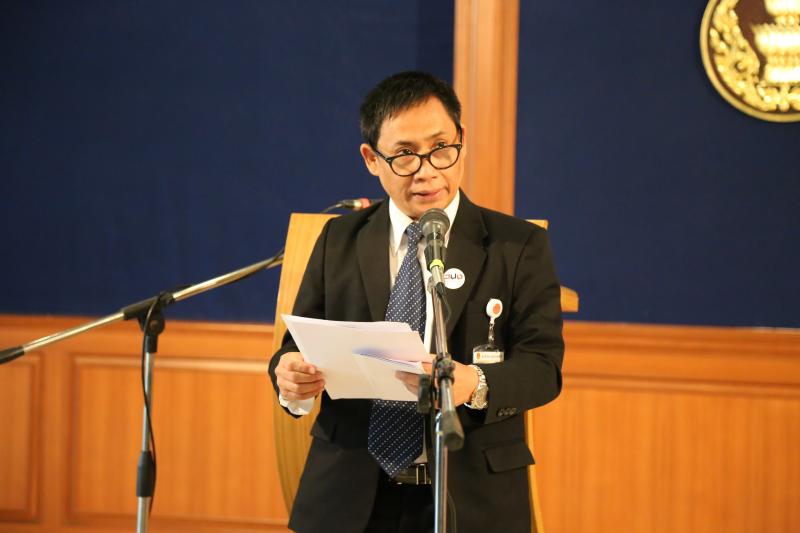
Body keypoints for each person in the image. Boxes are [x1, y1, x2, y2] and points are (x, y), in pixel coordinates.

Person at [269, 71, 564, 533]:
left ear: (461, 139)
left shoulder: (517, 245)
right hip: (350, 493)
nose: (428, 170)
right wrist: (290, 378)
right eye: (405, 155)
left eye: (442, 148)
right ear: (372, 159)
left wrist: (474, 383)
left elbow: (544, 368)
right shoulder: (339, 239)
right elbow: (295, 347)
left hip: (471, 493)